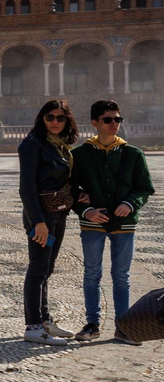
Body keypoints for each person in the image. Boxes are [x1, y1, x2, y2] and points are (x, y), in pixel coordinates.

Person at [71, 99, 153, 343]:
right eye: (108, 120)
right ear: (95, 123)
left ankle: (123, 325)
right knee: (91, 273)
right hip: (92, 222)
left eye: (118, 119)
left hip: (125, 223)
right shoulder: (80, 155)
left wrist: (129, 204)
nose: (114, 124)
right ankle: (92, 324)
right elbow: (68, 190)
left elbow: (144, 188)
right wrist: (85, 211)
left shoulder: (133, 154)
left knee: (121, 275)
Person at [19, 100, 79, 345]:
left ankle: (44, 320)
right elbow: (27, 187)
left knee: (47, 267)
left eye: (60, 118)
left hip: (58, 215)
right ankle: (33, 326)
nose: (55, 121)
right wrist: (38, 223)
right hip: (42, 219)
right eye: (50, 117)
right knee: (37, 268)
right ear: (41, 119)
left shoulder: (59, 146)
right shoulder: (32, 145)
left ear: (67, 121)